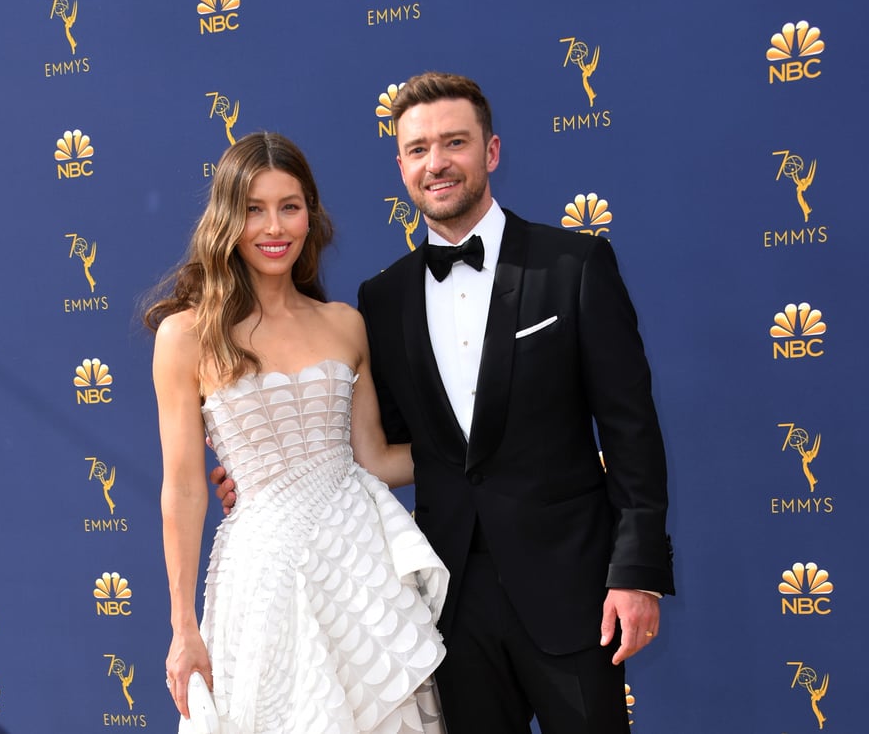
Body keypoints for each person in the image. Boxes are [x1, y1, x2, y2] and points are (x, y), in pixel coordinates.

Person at [216, 73, 674, 733]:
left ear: (490, 152)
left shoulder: (574, 266)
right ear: (401, 166)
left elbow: (632, 433)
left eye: (454, 142)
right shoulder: (383, 300)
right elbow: (382, 447)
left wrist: (637, 574)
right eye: (419, 148)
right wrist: (276, 475)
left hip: (572, 590)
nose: (437, 162)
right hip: (447, 604)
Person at [143, 132, 449, 734]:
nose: (273, 226)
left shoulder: (345, 325)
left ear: (312, 214)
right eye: (253, 209)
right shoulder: (186, 336)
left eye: (289, 206)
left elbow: (377, 461)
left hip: (360, 571)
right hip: (263, 579)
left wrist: (484, 450)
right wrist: (183, 628)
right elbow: (181, 489)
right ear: (226, 219)